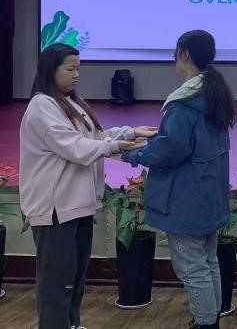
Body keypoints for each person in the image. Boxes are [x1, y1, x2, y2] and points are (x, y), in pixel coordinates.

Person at [19, 43, 151, 329]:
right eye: (70, 69)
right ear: (50, 70)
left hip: (78, 204)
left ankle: (72, 324)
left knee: (75, 279)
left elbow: (95, 137)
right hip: (55, 208)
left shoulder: (70, 102)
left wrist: (129, 132)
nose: (76, 75)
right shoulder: (42, 105)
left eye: (78, 69)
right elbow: (75, 147)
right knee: (57, 284)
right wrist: (115, 145)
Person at [122, 30, 237, 329]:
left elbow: (170, 150)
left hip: (186, 199)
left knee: (192, 268)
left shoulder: (186, 101)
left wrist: (133, 154)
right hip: (208, 196)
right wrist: (155, 141)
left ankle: (204, 323)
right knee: (208, 262)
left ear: (184, 53)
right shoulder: (213, 93)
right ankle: (210, 321)